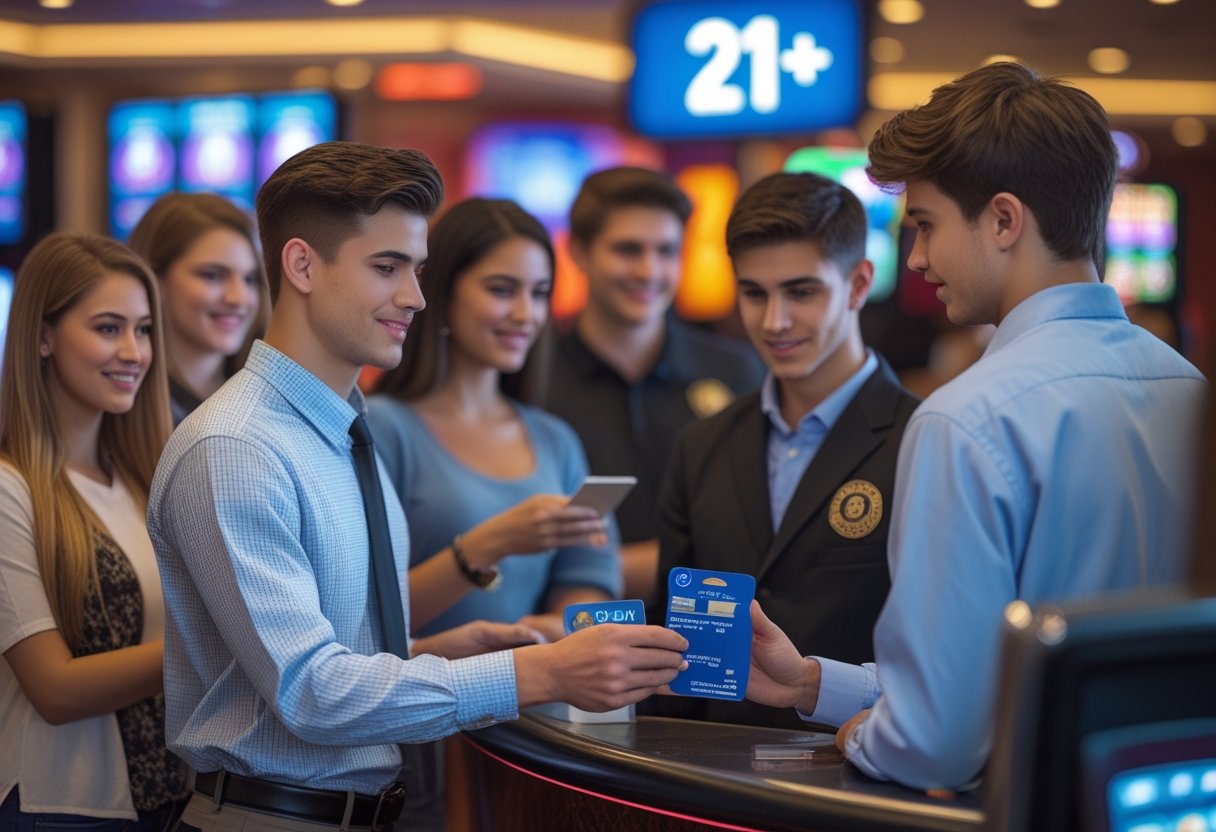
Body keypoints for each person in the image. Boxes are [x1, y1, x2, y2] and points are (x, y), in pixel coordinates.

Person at [147, 141, 688, 832]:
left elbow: (340, 649)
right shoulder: (235, 447)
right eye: (387, 268)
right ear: (303, 265)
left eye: (418, 269)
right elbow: (310, 692)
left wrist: (446, 648)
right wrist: (541, 674)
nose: (415, 297)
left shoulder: (346, 429)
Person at [742, 62, 1207, 790]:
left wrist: (869, 736)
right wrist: (811, 684)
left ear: (1001, 219)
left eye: (924, 225)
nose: (918, 258)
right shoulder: (1192, 389)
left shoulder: (966, 418)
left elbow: (937, 741)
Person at [649, 172, 919, 731]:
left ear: (858, 284)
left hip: (862, 774)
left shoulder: (925, 437)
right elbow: (671, 640)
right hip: (710, 773)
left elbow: (946, 662)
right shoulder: (701, 444)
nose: (775, 321)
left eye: (801, 291)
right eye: (754, 293)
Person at [368, 197, 618, 646]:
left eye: (540, 293)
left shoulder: (554, 439)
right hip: (422, 705)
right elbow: (363, 617)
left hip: (539, 702)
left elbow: (590, 579)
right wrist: (489, 544)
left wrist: (554, 626)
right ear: (442, 292)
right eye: (502, 290)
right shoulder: (383, 429)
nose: (526, 314)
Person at [0, 232, 184, 830]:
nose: (133, 351)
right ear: (44, 336)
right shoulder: (10, 488)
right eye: (108, 328)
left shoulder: (142, 479)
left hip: (164, 797)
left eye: (144, 329)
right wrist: (212, 648)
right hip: (59, 806)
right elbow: (54, 690)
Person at [545, 167, 764, 605]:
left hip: (714, 640)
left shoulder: (738, 372)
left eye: (667, 251)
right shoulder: (534, 377)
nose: (649, 270)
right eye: (628, 249)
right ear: (579, 252)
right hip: (575, 644)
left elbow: (763, 527)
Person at [127, 192, 268, 425]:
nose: (238, 298)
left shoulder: (266, 403)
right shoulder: (121, 406)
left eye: (250, 279)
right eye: (212, 275)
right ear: (155, 279)